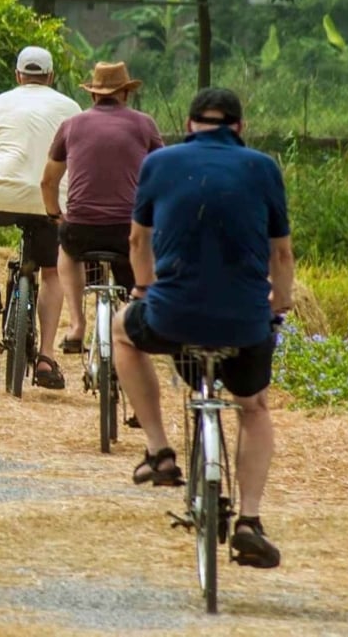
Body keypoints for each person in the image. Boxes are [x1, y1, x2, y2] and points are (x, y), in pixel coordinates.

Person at [114, 87, 292, 569]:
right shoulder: (263, 167)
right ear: (239, 127)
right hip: (245, 321)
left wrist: (143, 290)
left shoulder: (160, 163)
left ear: (190, 124)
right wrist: (282, 300)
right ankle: (250, 522)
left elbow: (137, 240)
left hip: (172, 315)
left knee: (121, 332)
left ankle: (159, 450)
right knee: (253, 408)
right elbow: (281, 254)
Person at [0, 46, 80, 389]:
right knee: (51, 273)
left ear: (18, 76)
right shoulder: (71, 108)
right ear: (50, 77)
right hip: (52, 202)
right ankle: (46, 357)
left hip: (4, 197)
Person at [40, 61, 163, 355]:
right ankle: (135, 323)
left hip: (83, 227)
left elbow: (48, 182)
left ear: (93, 95)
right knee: (141, 257)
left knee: (67, 250)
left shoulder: (71, 125)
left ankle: (77, 325)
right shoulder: (144, 124)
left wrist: (55, 215)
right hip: (128, 229)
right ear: (126, 94)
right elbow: (164, 172)